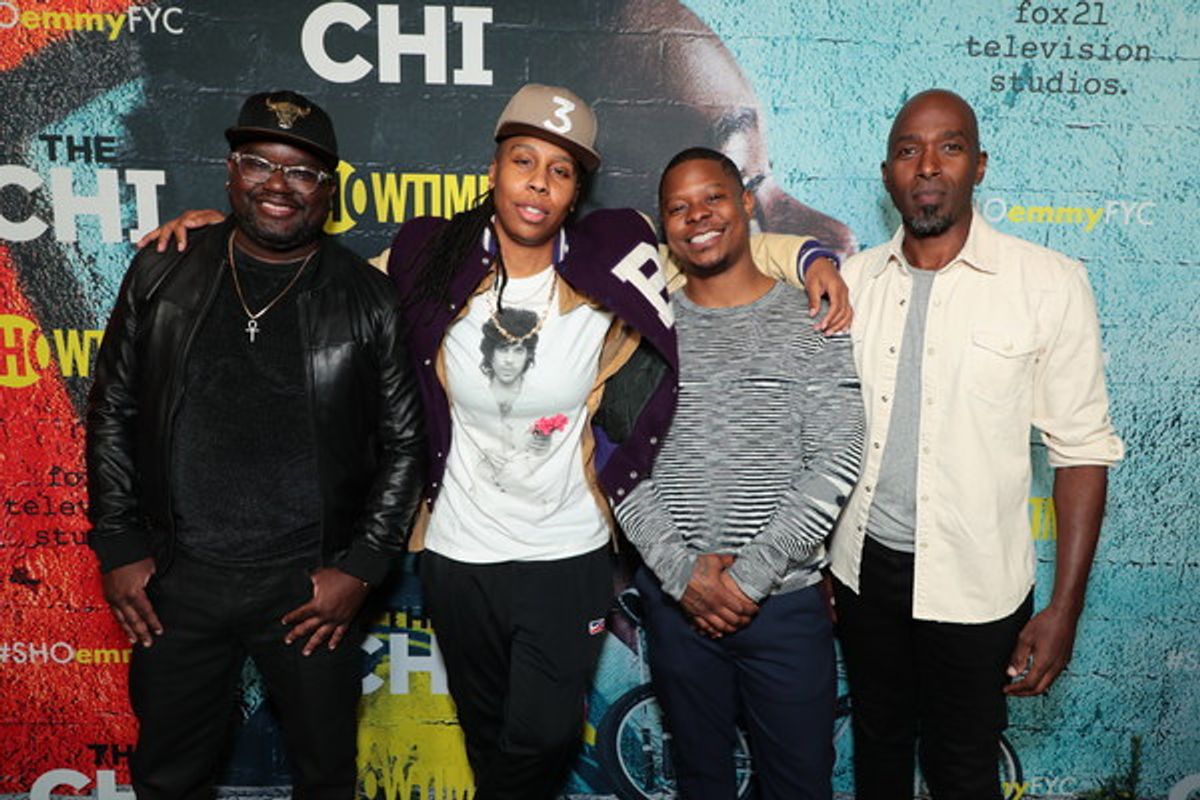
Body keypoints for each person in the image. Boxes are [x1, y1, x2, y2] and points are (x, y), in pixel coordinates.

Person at [85, 89, 425, 800]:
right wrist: (119, 545)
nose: (277, 184)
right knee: (168, 775)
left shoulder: (366, 297)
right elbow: (113, 407)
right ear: (230, 172)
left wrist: (359, 567)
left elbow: (402, 445)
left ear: (327, 190)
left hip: (307, 587)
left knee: (324, 774)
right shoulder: (164, 267)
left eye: (300, 172)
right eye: (258, 163)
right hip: (177, 580)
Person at [829, 89, 1124, 800]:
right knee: (878, 753)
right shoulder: (853, 283)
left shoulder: (1049, 284)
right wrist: (818, 564)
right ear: (887, 172)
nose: (927, 166)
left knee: (963, 769)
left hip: (978, 585)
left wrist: (1064, 608)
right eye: (908, 151)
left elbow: (1081, 450)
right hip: (862, 574)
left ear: (980, 165)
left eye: (949, 147)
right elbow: (825, 436)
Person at [615, 147, 864, 800]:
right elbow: (618, 461)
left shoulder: (812, 316)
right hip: (678, 606)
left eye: (714, 197)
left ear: (747, 203)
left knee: (798, 787)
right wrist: (681, 572)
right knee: (701, 784)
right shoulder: (646, 329)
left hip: (783, 607)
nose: (698, 215)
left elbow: (836, 458)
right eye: (678, 207)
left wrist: (749, 578)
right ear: (663, 224)